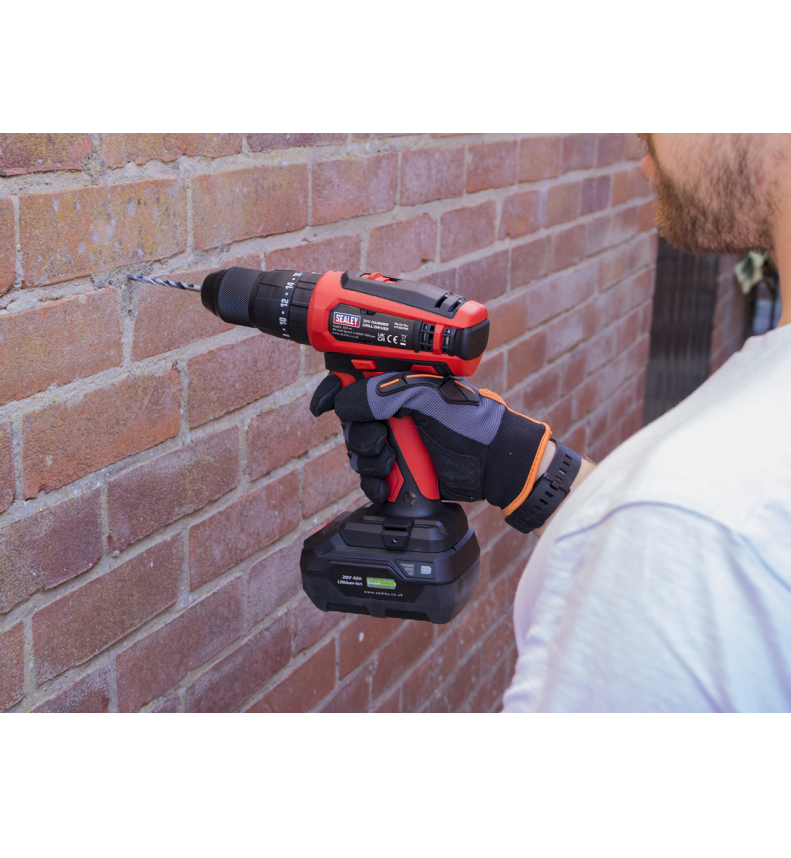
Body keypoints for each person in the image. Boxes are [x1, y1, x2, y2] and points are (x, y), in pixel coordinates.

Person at [314, 133, 791, 713]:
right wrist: (517, 463)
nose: (642, 151)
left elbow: (688, 531)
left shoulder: (691, 532)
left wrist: (634, 522)